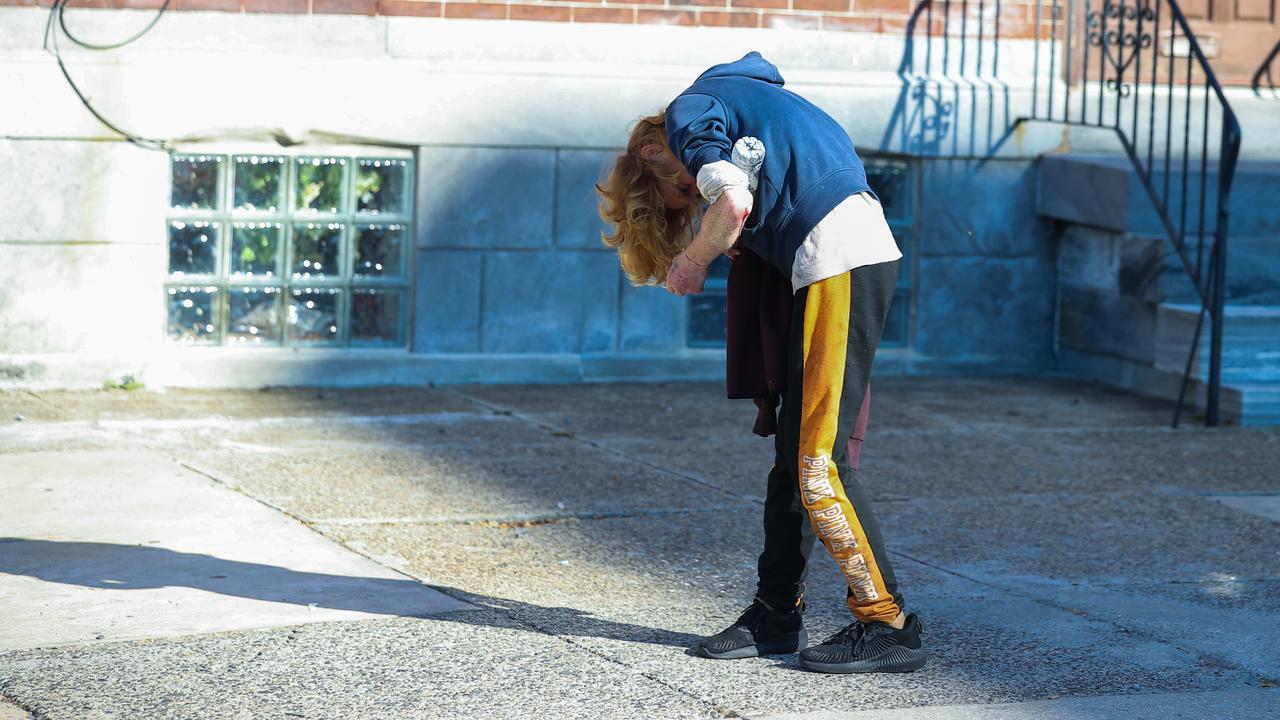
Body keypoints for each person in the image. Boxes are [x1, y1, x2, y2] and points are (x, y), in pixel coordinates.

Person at [596, 52, 925, 674]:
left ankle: (889, 624)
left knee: (816, 463)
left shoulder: (690, 113)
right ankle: (776, 614)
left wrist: (691, 262)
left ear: (651, 155)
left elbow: (732, 204)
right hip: (834, 258)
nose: (685, 196)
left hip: (838, 259)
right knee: (791, 461)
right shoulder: (743, 103)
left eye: (676, 194)